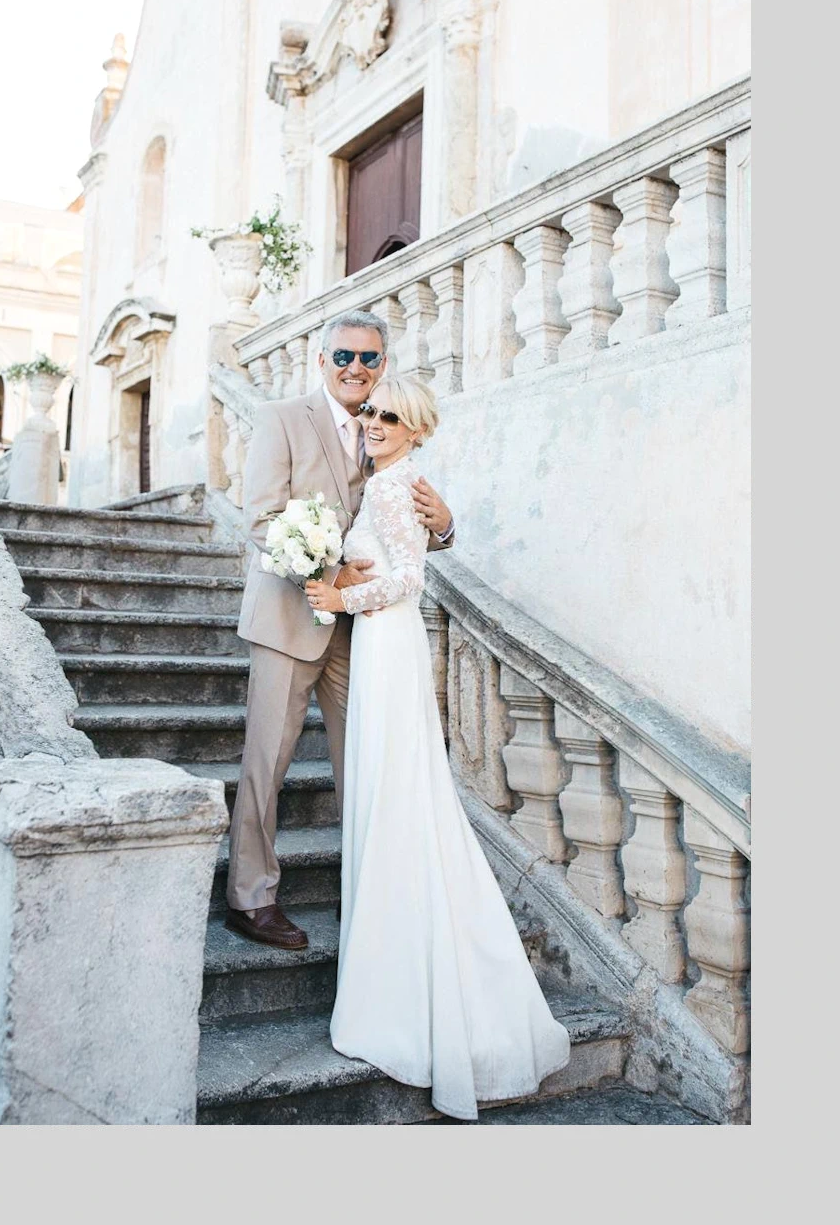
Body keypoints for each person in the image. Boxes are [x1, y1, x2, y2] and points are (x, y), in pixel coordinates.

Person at [304, 375, 571, 1122]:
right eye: (371, 414)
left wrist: (337, 598)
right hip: (386, 650)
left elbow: (409, 579)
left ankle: (400, 999)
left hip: (387, 645)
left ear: (417, 428)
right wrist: (348, 573)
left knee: (397, 798)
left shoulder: (398, 485)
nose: (375, 423)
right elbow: (402, 556)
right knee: (399, 797)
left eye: (391, 416)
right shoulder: (385, 481)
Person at [225, 311, 455, 950]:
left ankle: (373, 894)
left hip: (363, 633)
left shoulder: (387, 427)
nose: (357, 368)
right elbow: (261, 519)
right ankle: (251, 897)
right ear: (322, 359)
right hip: (288, 617)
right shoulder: (282, 418)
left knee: (370, 762)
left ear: (385, 365)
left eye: (370, 358)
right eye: (345, 356)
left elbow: (401, 536)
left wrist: (444, 526)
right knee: (267, 762)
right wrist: (329, 568)